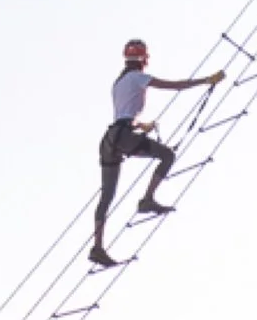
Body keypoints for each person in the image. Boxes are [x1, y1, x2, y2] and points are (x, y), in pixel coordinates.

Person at [90, 39, 224, 267]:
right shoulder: (138, 77)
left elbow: (124, 114)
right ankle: (147, 200)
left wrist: (141, 126)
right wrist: (205, 81)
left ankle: (97, 247)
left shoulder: (119, 82)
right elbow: (173, 86)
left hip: (110, 139)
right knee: (167, 155)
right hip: (124, 137)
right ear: (143, 59)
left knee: (106, 197)